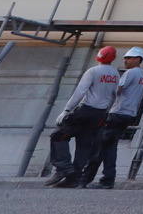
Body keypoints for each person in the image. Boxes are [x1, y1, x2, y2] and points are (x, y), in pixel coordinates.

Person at [45, 45, 119, 188]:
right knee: (84, 145)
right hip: (100, 114)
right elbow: (115, 96)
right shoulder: (115, 74)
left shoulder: (93, 71)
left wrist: (66, 110)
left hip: (85, 111)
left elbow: (80, 92)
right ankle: (74, 178)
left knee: (58, 136)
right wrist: (106, 112)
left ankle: (63, 168)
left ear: (98, 56)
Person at [81, 45, 143, 188]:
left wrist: (103, 89)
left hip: (117, 113)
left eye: (129, 58)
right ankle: (107, 180)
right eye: (125, 58)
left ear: (138, 59)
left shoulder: (130, 73)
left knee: (99, 147)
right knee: (110, 147)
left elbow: (117, 90)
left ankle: (86, 179)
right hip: (129, 115)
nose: (125, 60)